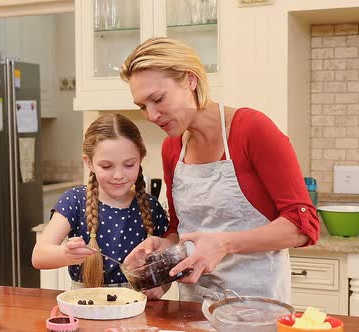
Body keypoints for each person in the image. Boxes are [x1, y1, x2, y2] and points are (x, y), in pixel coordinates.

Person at [119, 37, 320, 303]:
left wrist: (224, 243)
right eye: (143, 106)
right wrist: (164, 249)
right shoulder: (172, 148)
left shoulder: (252, 130)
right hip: (192, 306)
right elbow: (181, 228)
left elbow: (303, 226)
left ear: (190, 80)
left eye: (157, 99)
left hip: (255, 308)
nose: (152, 115)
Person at [31, 113, 170, 291]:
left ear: (140, 159)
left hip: (139, 308)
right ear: (89, 163)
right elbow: (39, 256)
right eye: (106, 166)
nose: (118, 175)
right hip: (85, 307)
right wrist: (66, 254)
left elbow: (167, 266)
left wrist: (160, 288)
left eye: (129, 165)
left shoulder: (151, 206)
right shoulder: (74, 201)